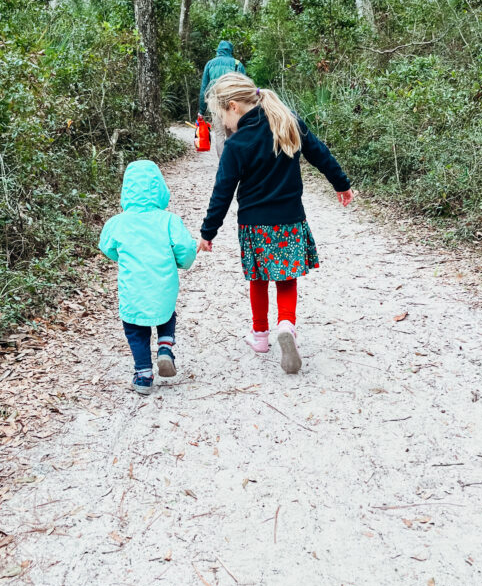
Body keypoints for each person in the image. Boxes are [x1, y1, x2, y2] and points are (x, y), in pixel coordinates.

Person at [197, 72, 354, 374]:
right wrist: (341, 184)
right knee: (286, 276)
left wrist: (208, 232)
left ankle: (259, 337)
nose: (223, 124)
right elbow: (320, 154)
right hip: (290, 219)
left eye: (221, 116)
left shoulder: (237, 143)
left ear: (233, 107)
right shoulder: (286, 121)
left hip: (254, 225)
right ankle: (286, 325)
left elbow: (223, 192)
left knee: (258, 279)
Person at [99, 160, 196, 393]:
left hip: (132, 289)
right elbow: (186, 248)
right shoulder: (169, 220)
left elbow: (106, 246)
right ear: (160, 189)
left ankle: (143, 374)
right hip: (163, 286)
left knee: (135, 328)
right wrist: (181, 263)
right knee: (166, 315)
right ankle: (164, 348)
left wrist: (122, 257)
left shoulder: (117, 223)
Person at [199, 40, 246, 156]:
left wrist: (201, 110)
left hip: (215, 105)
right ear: (230, 51)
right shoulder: (237, 64)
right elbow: (244, 87)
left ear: (218, 51)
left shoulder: (210, 64)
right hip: (232, 106)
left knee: (219, 135)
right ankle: (232, 163)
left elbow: (204, 89)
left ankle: (223, 164)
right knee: (232, 135)